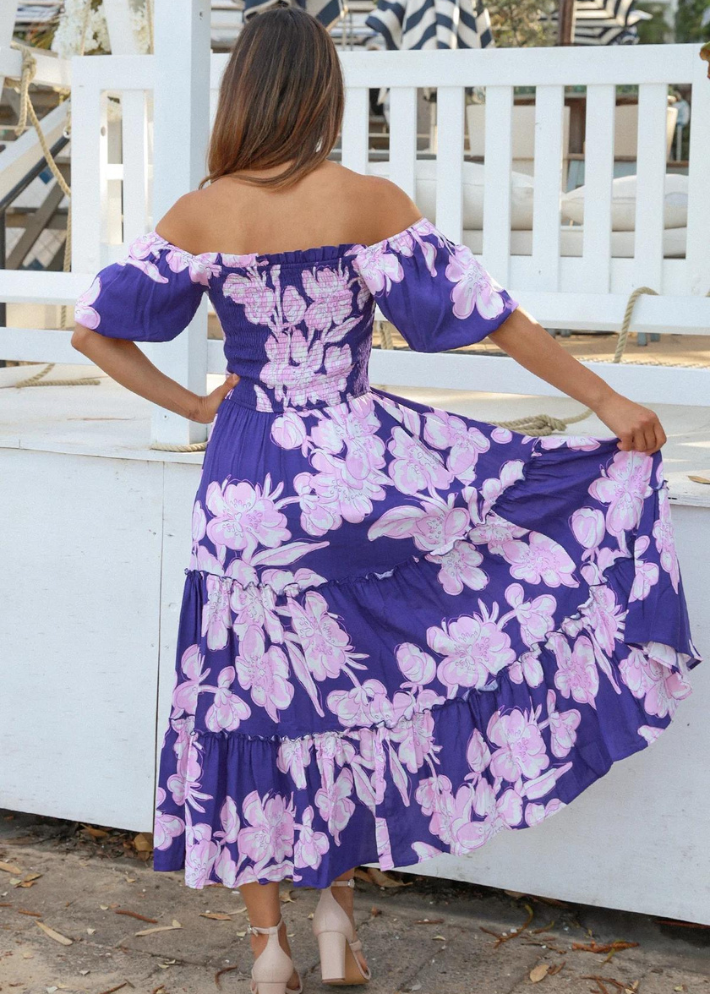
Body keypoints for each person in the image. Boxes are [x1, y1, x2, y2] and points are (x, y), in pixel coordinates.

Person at [71, 8, 700, 993]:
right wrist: (606, 398)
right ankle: (337, 928)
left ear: (241, 95)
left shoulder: (202, 213)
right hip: (353, 479)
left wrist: (195, 404)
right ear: (321, 92)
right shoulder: (363, 199)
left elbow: (93, 329)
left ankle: (267, 947)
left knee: (249, 707)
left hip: (242, 493)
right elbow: (492, 317)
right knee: (351, 698)